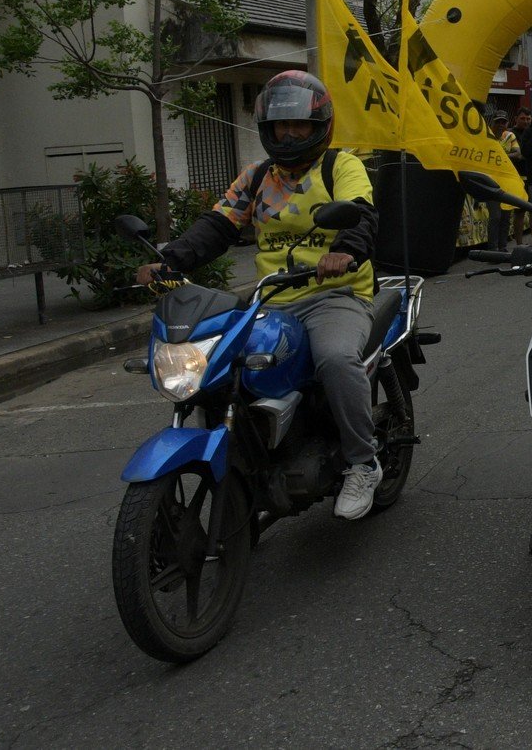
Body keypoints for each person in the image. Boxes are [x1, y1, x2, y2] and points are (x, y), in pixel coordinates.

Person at [136, 71, 385, 520]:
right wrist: (170, 261)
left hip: (334, 295)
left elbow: (361, 216)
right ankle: (247, 465)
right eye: (280, 126)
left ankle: (362, 462)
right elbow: (216, 227)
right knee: (218, 366)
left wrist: (343, 251)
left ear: (319, 126)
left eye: (299, 125)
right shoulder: (255, 177)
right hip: (269, 302)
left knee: (334, 358)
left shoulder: (340, 167)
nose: (289, 133)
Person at [488, 110, 520, 250]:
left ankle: (503, 247)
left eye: (503, 122)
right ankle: (492, 249)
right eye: (498, 122)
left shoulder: (510, 136)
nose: (500, 125)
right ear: (492, 122)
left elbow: (518, 153)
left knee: (506, 216)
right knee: (495, 216)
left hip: (507, 181)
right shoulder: (486, 135)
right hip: (490, 181)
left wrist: (501, 156)